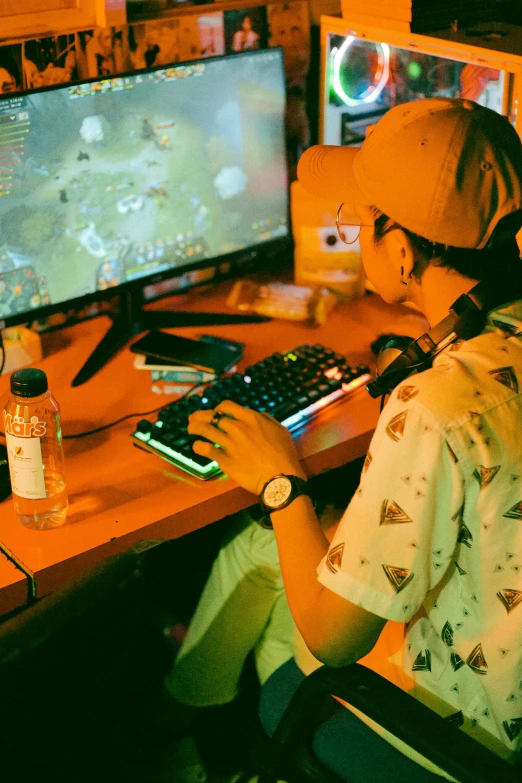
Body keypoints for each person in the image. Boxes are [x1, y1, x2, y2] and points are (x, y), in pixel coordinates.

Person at [150, 97, 522, 782]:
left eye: (356, 219)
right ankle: (180, 728)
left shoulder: (437, 406)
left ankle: (210, 747)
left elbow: (333, 635)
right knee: (266, 546)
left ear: (404, 251)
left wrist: (280, 481)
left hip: (464, 740)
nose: (345, 229)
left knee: (285, 630)